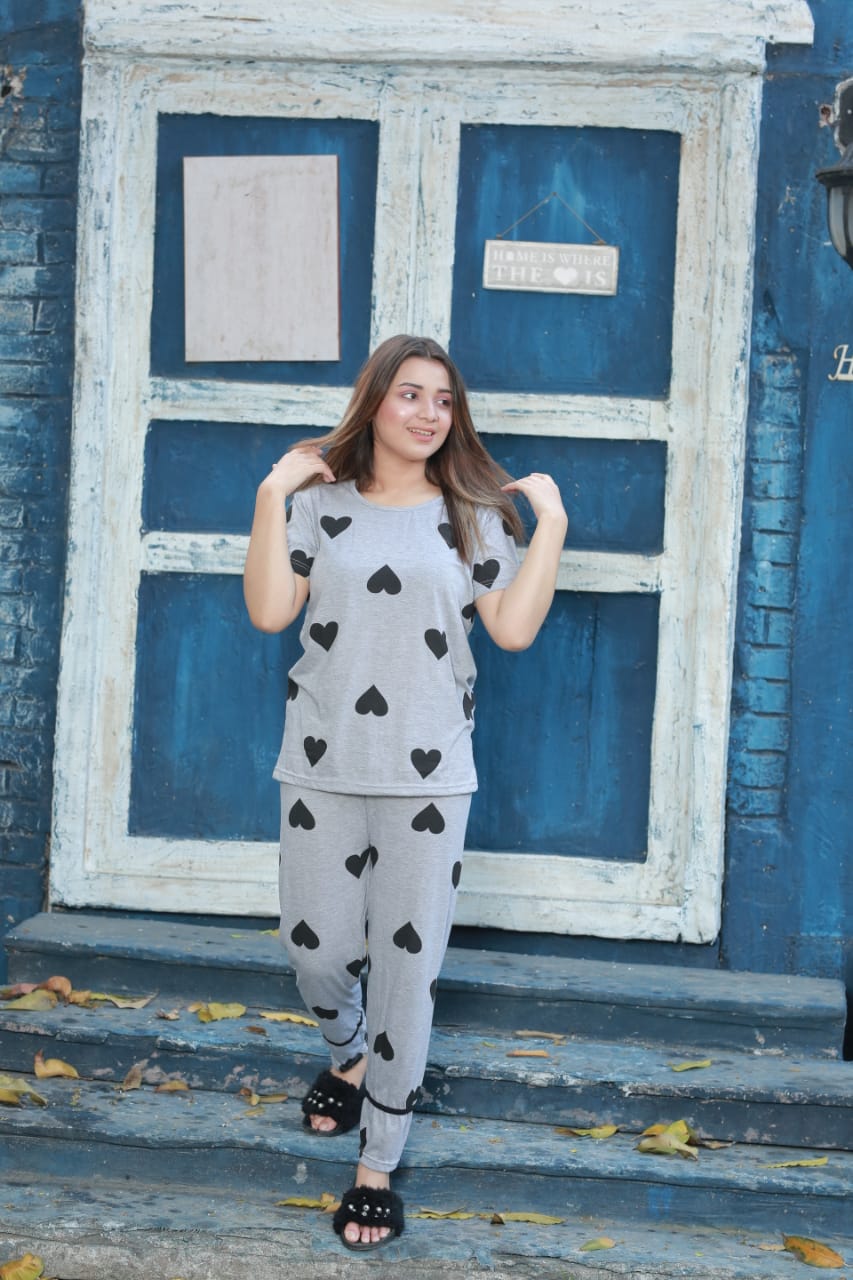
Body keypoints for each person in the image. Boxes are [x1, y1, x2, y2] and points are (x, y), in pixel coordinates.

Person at [243, 334, 567, 1251]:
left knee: (408, 970)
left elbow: (510, 629)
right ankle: (346, 1053)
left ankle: (376, 1159)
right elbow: (270, 610)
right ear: (373, 404)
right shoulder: (315, 506)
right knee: (313, 947)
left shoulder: (471, 517)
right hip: (321, 759)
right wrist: (272, 493)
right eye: (409, 396)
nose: (429, 414)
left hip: (429, 773)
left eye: (443, 401)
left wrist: (552, 531)